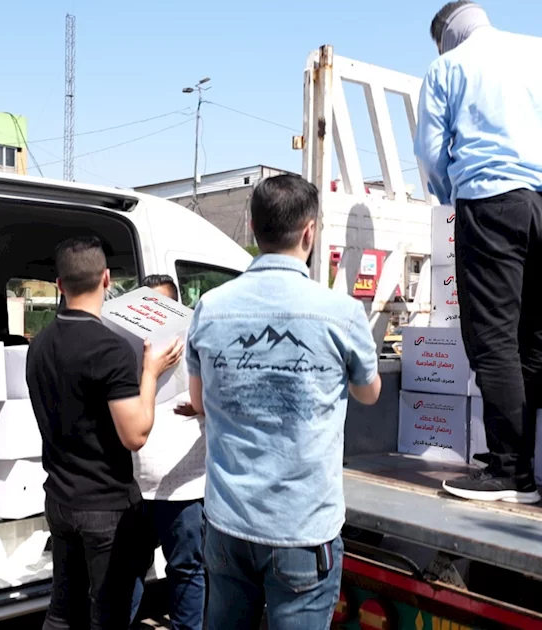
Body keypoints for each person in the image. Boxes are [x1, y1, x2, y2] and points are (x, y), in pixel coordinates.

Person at [414, 2, 542, 503]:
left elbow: (430, 154)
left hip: (493, 203)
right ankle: (522, 461)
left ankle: (508, 472)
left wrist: (453, 194)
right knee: (534, 335)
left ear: (445, 36)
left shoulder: (448, 67)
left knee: (493, 337)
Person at [186, 174, 381, 629]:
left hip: (228, 521)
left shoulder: (211, 306)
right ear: (309, 231)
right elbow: (369, 392)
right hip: (302, 529)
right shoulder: (341, 312)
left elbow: (198, 401)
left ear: (254, 228)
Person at [26, 236, 184, 630]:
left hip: (59, 498)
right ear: (107, 279)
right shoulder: (110, 349)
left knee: (62, 610)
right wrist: (150, 372)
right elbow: (135, 435)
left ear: (59, 284)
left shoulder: (39, 344)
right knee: (108, 615)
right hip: (105, 507)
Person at [128, 273, 206, 630]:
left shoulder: (200, 345)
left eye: (162, 307)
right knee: (128, 569)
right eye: (148, 306)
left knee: (186, 570)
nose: (155, 315)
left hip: (184, 488)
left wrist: (202, 406)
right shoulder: (127, 346)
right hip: (135, 485)